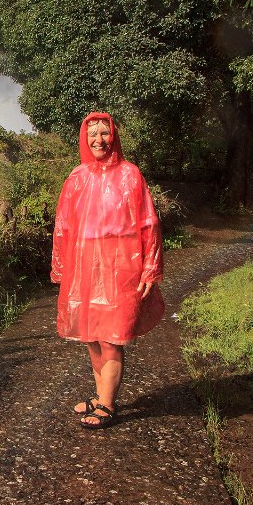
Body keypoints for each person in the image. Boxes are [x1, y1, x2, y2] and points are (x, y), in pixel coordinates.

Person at [50, 112, 165, 429]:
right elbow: (62, 226)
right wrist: (60, 267)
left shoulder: (131, 176)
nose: (98, 140)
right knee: (91, 337)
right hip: (84, 266)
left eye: (104, 133)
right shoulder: (77, 178)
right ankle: (102, 396)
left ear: (114, 136)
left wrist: (150, 269)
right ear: (84, 140)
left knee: (112, 338)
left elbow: (149, 224)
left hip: (120, 266)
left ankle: (108, 406)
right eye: (92, 135)